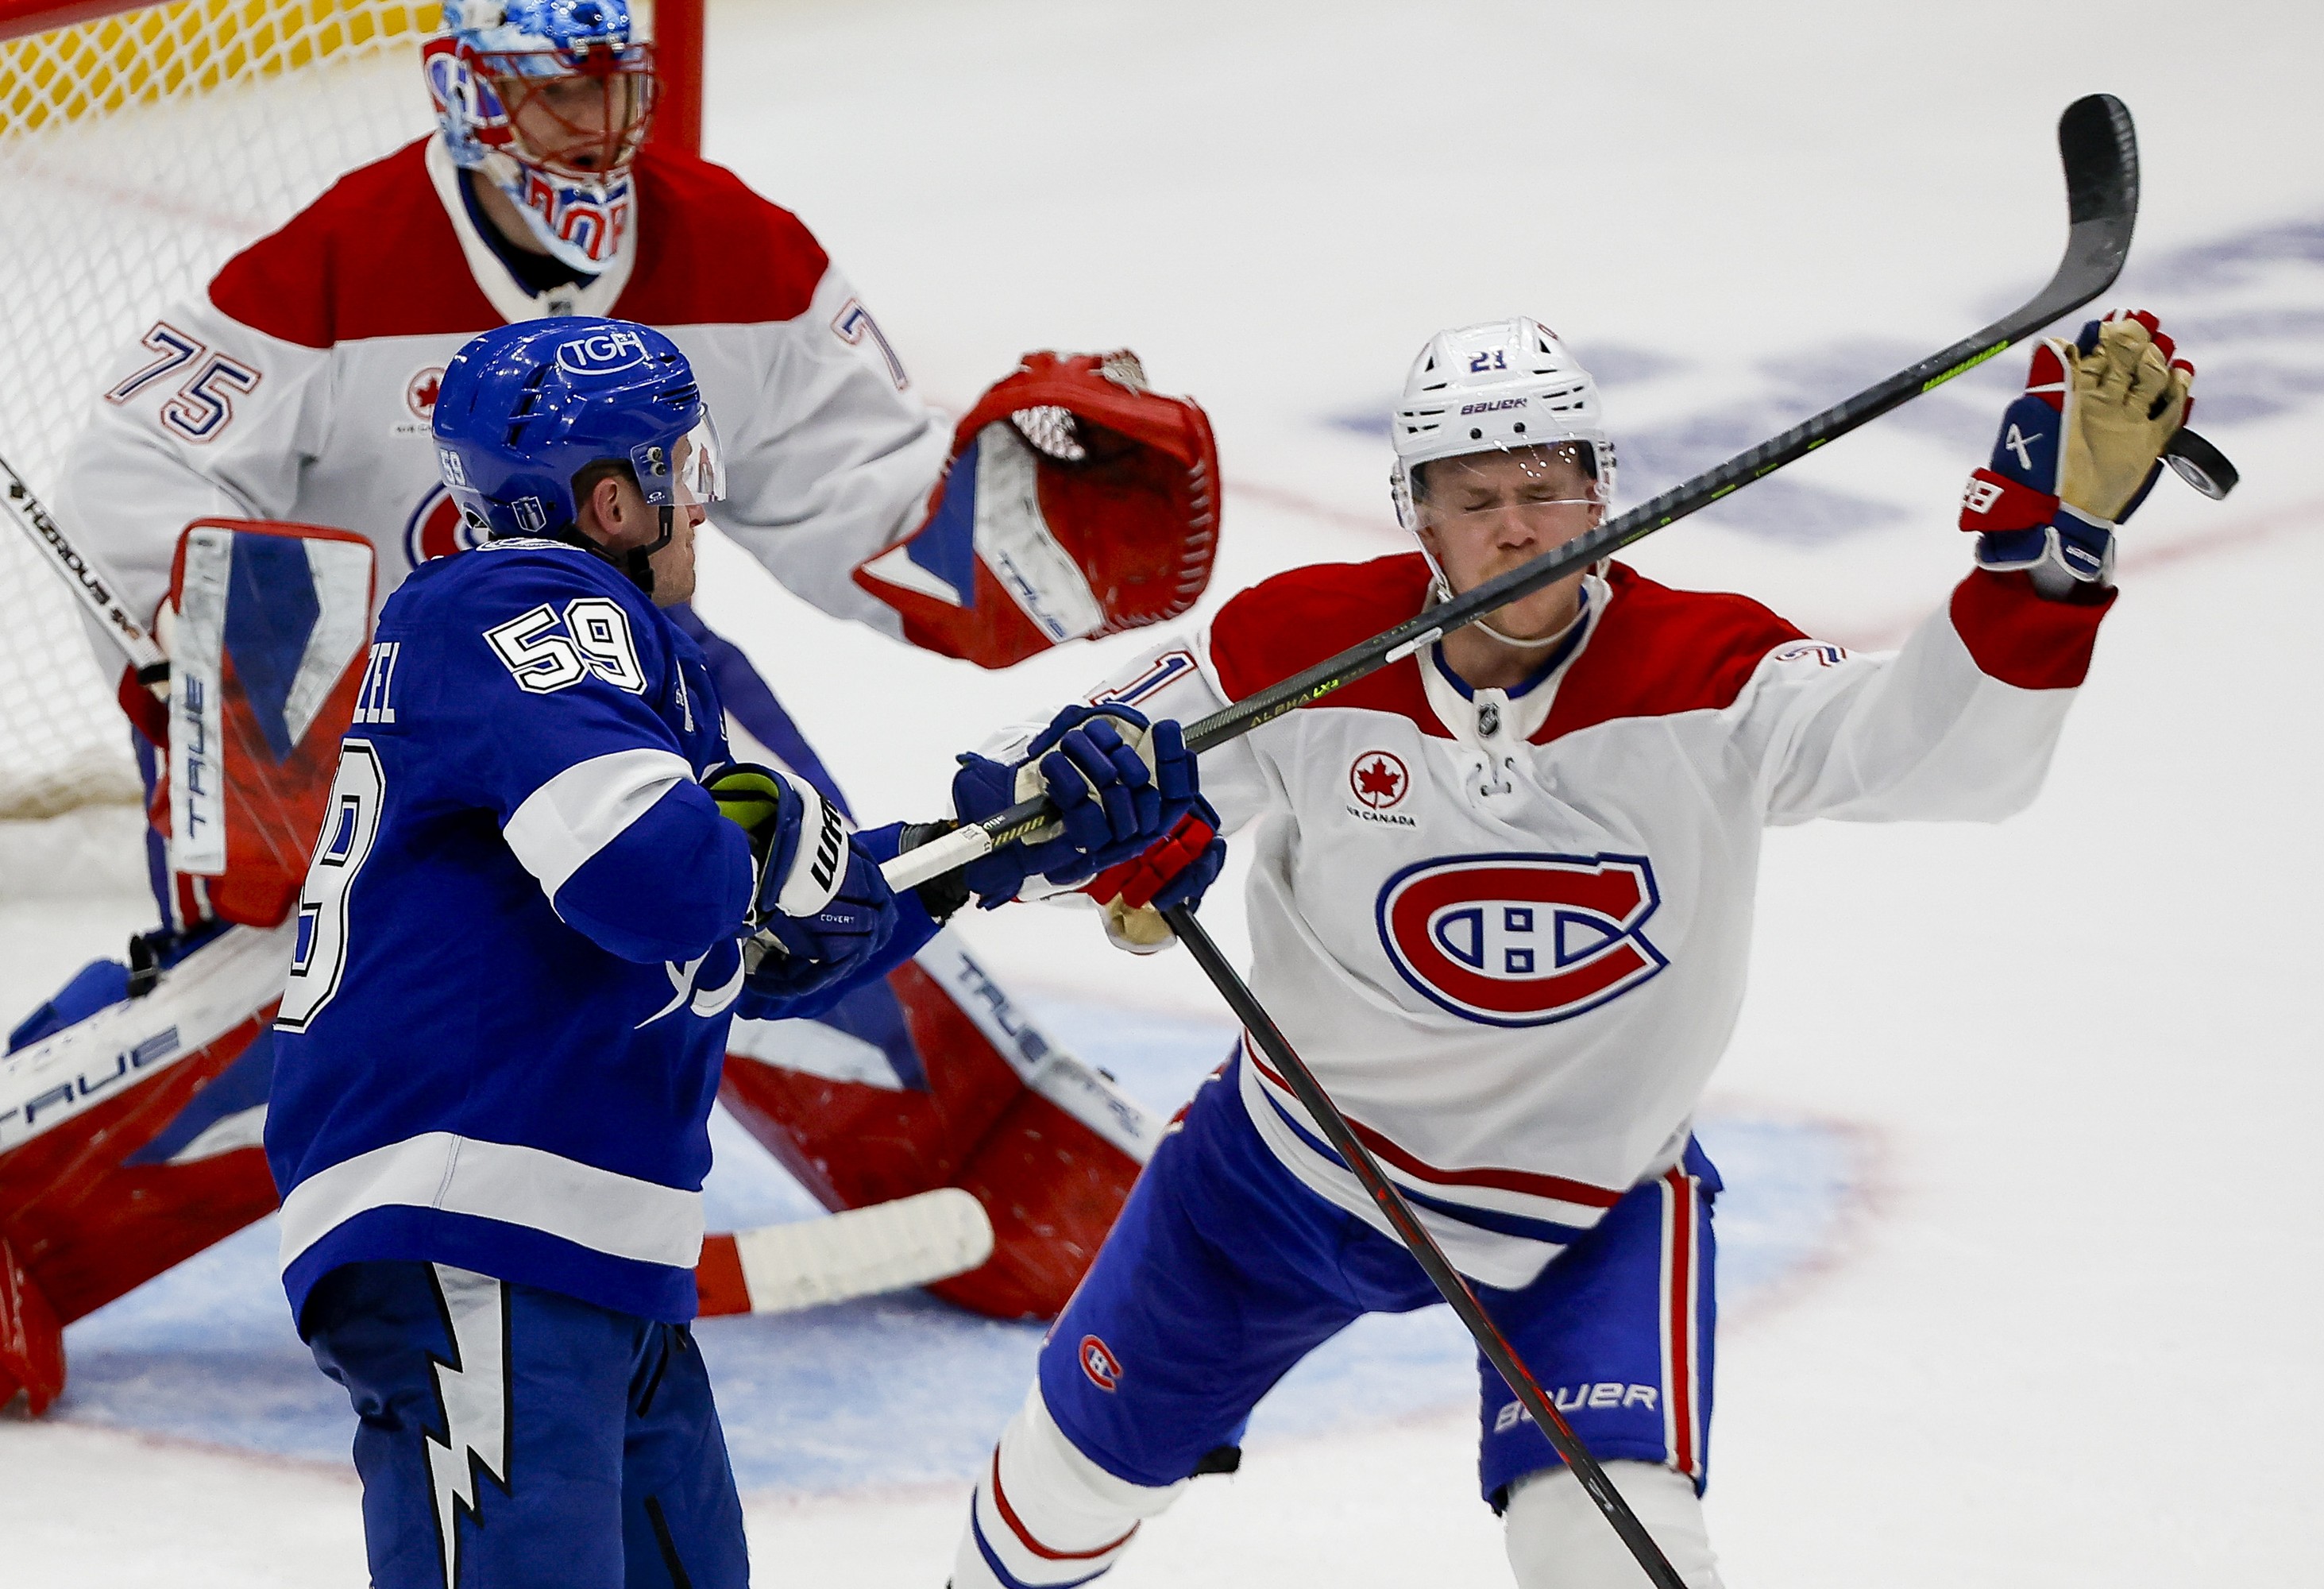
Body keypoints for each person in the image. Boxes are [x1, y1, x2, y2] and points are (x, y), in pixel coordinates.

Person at [0, 0, 1219, 1411]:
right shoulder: (330, 265)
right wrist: (252, 692)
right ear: (464, 93)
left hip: (634, 690)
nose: (600, 132)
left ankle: (991, 1139)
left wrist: (1013, 534)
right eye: (555, 95)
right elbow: (135, 481)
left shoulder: (743, 253)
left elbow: (873, 516)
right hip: (388, 729)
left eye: (616, 89)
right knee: (318, 999)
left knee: (793, 866)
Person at [947, 311, 2196, 1588]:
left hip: (1586, 1205)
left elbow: (1941, 758)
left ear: (1602, 489)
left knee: (1602, 1549)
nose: (1517, 525)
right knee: (1066, 1486)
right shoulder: (1296, 646)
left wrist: (2051, 561)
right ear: (1415, 513)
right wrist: (1073, 806)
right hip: (1285, 1175)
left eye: (1548, 487)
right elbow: (1045, 806)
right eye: (1475, 495)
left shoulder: (1710, 672)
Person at [275, 314, 1200, 1589]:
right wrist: (766, 847)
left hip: (591, 1251)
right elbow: (655, 882)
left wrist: (994, 843)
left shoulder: (611, 669)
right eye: (681, 469)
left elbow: (765, 947)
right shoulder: (518, 607)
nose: (700, 507)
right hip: (475, 1227)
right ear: (610, 501)